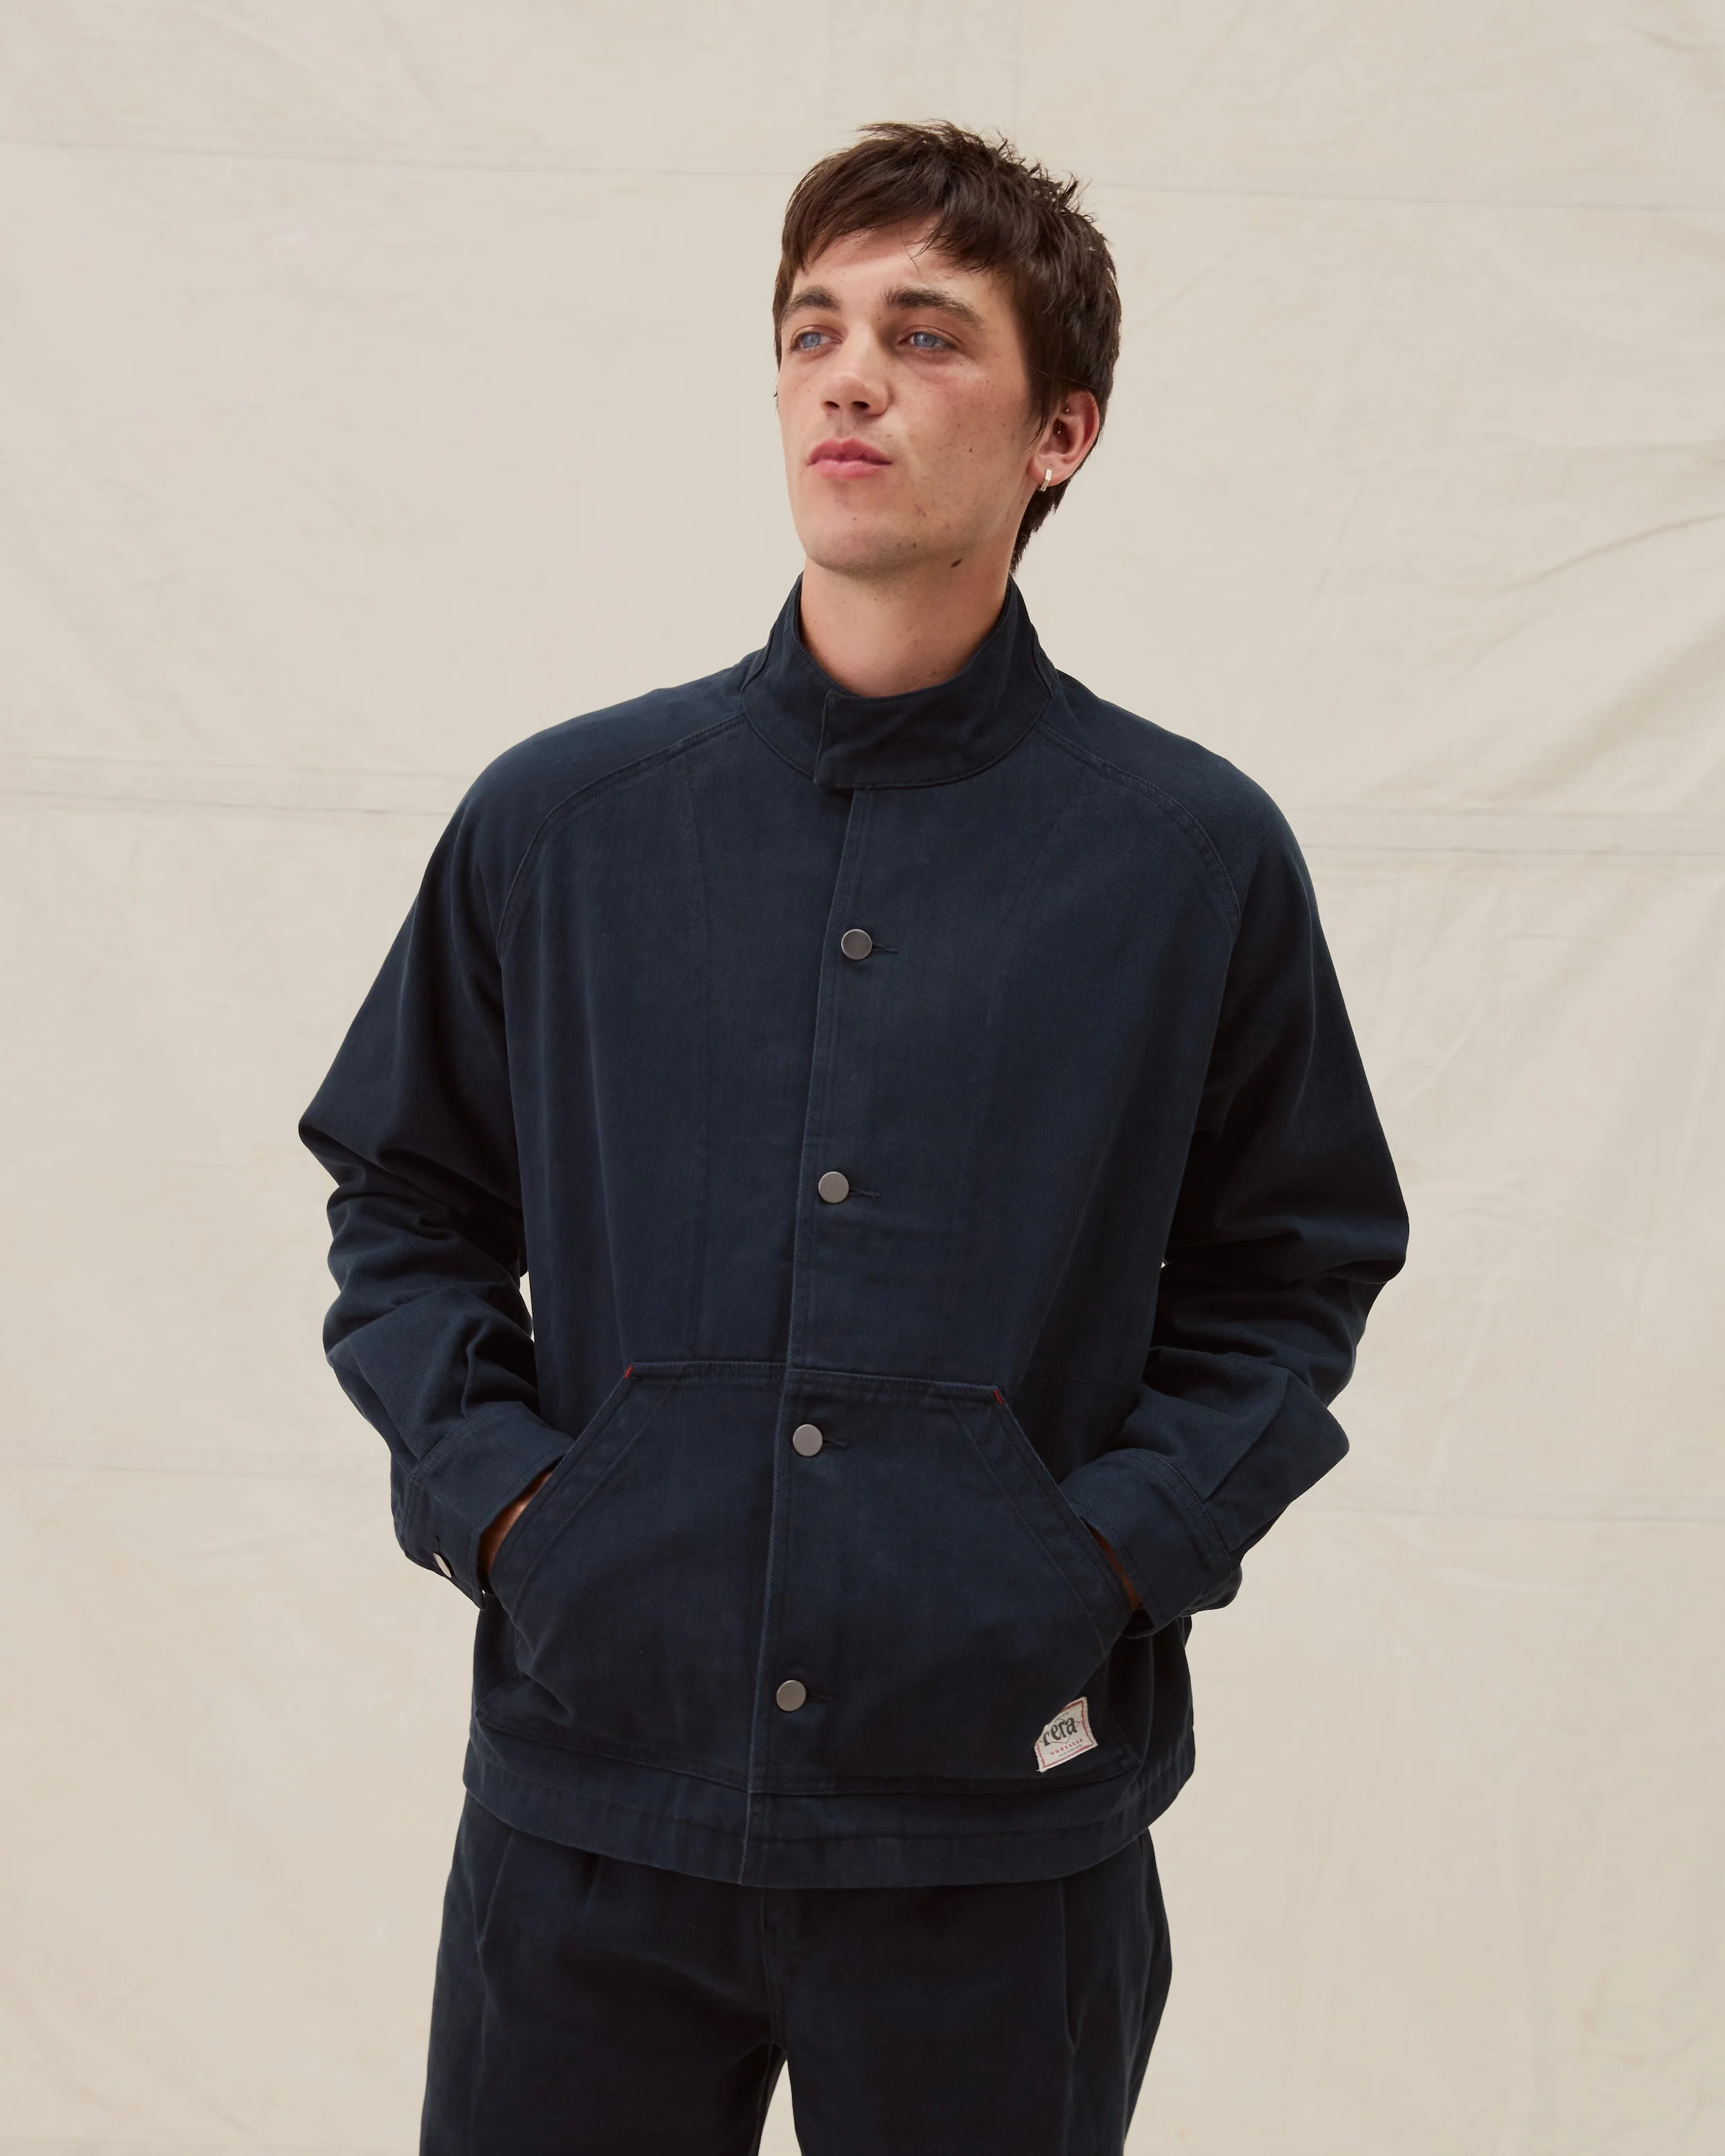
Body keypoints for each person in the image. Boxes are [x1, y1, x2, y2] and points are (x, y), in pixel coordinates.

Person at [300, 120, 1408, 2156]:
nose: (849, 378)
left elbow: (1296, 1272)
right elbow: (404, 1206)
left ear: (1061, 431)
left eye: (925, 333)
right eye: (812, 330)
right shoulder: (565, 824)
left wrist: (1093, 1557)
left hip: (999, 1834)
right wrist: (519, 1514)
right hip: (593, 1810)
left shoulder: (1190, 858)